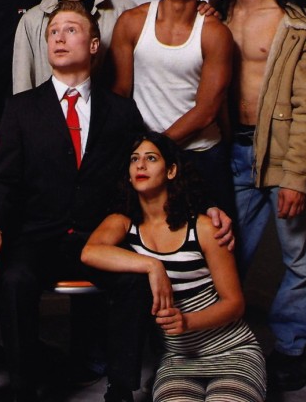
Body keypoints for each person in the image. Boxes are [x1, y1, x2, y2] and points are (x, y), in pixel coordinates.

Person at [0, 1, 232, 402]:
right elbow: (3, 180)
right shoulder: (20, 108)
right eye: (53, 32)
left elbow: (155, 164)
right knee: (13, 281)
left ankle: (121, 388)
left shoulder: (120, 110)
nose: (59, 38)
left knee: (134, 281)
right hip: (36, 237)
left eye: (71, 30)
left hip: (97, 238)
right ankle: (23, 388)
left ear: (94, 45)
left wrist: (206, 207)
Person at [215, 0, 306, 391]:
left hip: (284, 154)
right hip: (231, 153)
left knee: (301, 260)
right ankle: (222, 345)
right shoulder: (215, 17)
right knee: (225, 254)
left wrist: (297, 175)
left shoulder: (301, 22)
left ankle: (290, 351)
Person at [82, 132, 266, 402]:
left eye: (151, 158)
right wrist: (152, 265)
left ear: (171, 171)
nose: (140, 165)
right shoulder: (122, 222)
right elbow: (90, 252)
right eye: (134, 159)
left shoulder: (203, 227)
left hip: (232, 353)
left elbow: (235, 304)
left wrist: (188, 321)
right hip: (177, 359)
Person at [111, 0, 236, 216]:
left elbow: (206, 111)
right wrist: (142, 151)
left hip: (201, 154)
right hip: (145, 154)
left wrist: (156, 147)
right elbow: (120, 93)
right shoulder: (132, 22)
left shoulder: (215, 33)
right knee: (144, 236)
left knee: (215, 237)